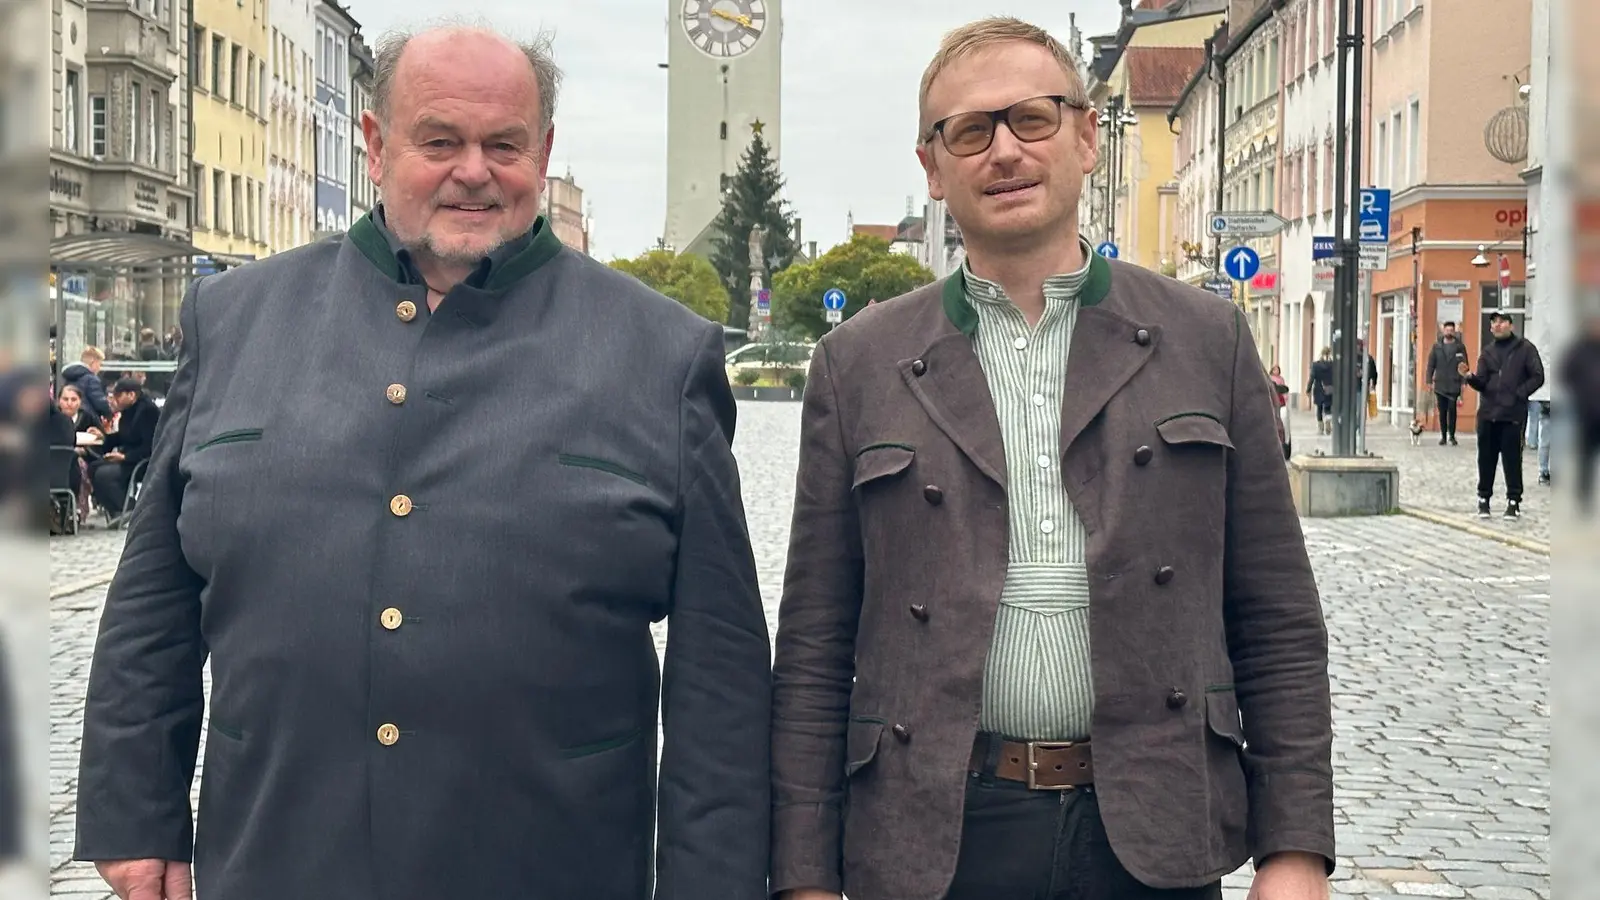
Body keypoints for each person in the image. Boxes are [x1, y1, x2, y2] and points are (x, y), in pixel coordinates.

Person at [74, 24, 771, 900]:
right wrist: (136, 816)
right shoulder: (238, 319)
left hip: (551, 864)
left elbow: (722, 674)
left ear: (544, 151)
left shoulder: (661, 355)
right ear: (375, 144)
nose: (472, 170)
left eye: (503, 144)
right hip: (281, 854)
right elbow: (154, 600)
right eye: (439, 141)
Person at [770, 17, 1333, 900]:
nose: (1004, 150)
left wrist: (1295, 854)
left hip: (1152, 826)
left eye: (1031, 119)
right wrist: (804, 876)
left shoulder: (1204, 339)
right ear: (932, 166)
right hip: (933, 832)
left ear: (1084, 137)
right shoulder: (860, 364)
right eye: (969, 130)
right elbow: (812, 643)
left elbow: (1277, 621)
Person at [1459, 312, 1544, 518]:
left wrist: (1519, 393)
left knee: (1512, 459)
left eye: (1502, 322)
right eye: (1494, 323)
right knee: (1486, 459)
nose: (1497, 325)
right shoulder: (1487, 352)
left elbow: (1538, 376)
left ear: (1511, 325)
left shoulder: (1525, 349)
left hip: (1512, 414)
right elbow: (1481, 381)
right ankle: (1484, 499)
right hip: (1488, 413)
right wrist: (1469, 377)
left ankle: (1513, 501)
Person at [1425, 321, 1468, 445]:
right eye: (1447, 330)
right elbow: (1431, 365)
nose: (1449, 332)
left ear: (1454, 331)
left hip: (1454, 383)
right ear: (1443, 331)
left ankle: (1452, 436)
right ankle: (1443, 436)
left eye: (1451, 330)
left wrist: (1464, 381)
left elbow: (1464, 365)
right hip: (1440, 384)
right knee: (1442, 411)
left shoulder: (1460, 347)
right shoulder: (1437, 347)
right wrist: (1429, 380)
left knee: (1452, 410)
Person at [1307, 347, 1333, 434]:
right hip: (1329, 388)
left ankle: (1321, 427)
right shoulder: (1333, 365)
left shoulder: (1315, 365)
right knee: (1328, 407)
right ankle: (1328, 423)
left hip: (1318, 388)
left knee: (1319, 408)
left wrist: (1308, 389)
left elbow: (1312, 378)